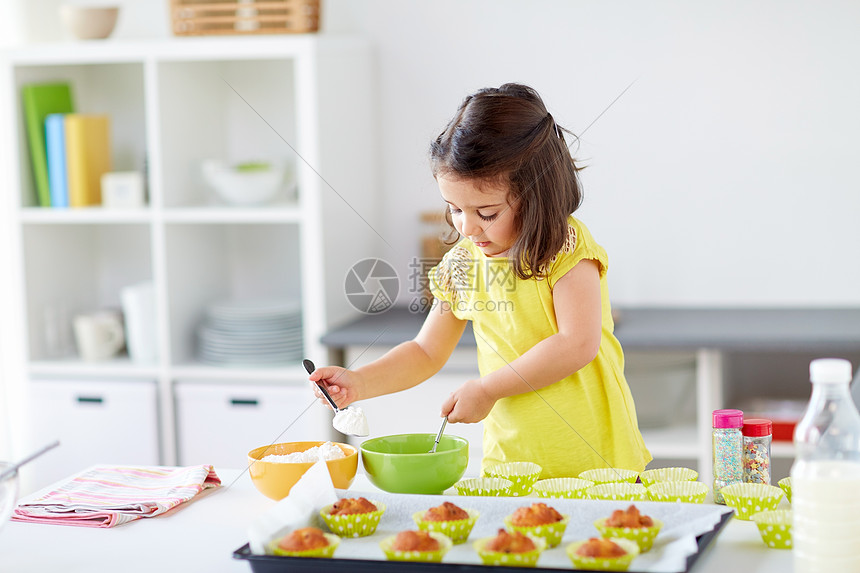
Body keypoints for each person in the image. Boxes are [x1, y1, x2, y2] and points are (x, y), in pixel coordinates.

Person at [310, 83, 651, 478]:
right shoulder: (462, 264)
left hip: (598, 461)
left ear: (535, 194)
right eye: (454, 209)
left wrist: (488, 390)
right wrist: (359, 382)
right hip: (512, 464)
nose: (467, 227)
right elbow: (426, 351)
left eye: (486, 212)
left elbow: (576, 344)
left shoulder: (565, 248)